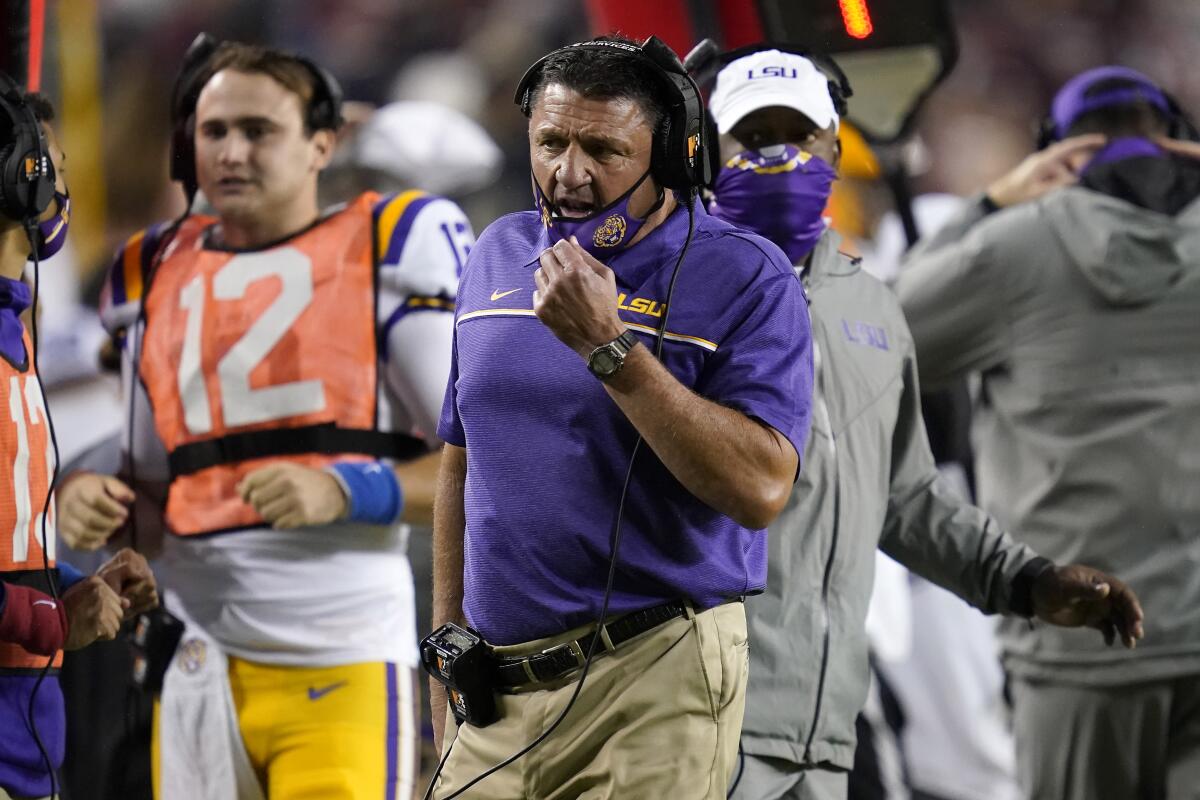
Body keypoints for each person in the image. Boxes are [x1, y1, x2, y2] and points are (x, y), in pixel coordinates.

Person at [691, 48, 1146, 800]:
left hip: (825, 723)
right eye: (753, 136)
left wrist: (1025, 581)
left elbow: (902, 498)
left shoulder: (867, 307)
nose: (777, 158)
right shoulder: (668, 292)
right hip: (700, 719)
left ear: (833, 147)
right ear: (709, 154)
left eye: (796, 134)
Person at [53, 39, 471, 800]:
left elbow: (491, 465)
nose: (232, 152)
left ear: (323, 143)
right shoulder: (151, 272)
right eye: (214, 132)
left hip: (338, 659)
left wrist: (350, 490)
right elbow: (153, 500)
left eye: (258, 130)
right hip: (193, 666)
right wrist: (87, 496)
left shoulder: (387, 251)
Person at [429, 35, 813, 799]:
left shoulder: (745, 272)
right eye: (551, 142)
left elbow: (761, 488)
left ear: (669, 154)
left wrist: (611, 348)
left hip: (653, 677)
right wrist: (445, 649)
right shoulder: (498, 253)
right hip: (494, 689)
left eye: (603, 147)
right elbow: (461, 458)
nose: (570, 173)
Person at [896, 65, 1200, 800]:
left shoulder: (1013, 247)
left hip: (1078, 640)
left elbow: (881, 330)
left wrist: (992, 201)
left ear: (1056, 153)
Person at [0, 75, 157, 800]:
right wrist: (54, 617)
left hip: (26, 736)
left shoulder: (14, 330)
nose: (61, 195)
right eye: (53, 173)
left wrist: (76, 586)